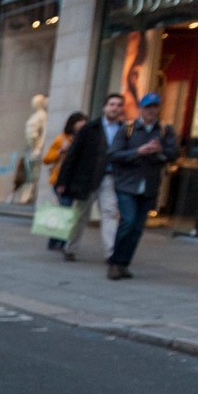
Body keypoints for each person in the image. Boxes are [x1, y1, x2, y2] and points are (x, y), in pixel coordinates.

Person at [103, 91, 178, 280]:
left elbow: (172, 154)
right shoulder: (127, 129)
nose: (151, 111)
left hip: (149, 186)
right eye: (148, 107)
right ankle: (114, 263)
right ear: (141, 109)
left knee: (137, 228)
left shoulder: (164, 131)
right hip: (127, 184)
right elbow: (114, 155)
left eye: (155, 107)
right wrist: (138, 151)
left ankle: (123, 264)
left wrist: (160, 150)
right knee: (127, 222)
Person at [55, 92, 125, 261]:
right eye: (112, 104)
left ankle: (111, 253)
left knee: (109, 214)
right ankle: (70, 247)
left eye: (118, 105)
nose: (115, 108)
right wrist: (63, 181)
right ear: (105, 108)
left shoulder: (124, 130)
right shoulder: (89, 129)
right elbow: (73, 154)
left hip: (109, 178)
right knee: (80, 215)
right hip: (88, 178)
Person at [41, 111, 87, 251]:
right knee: (65, 210)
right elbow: (46, 159)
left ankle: (54, 241)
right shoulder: (62, 139)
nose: (83, 125)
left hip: (76, 181)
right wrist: (60, 151)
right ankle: (59, 242)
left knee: (65, 211)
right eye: (80, 122)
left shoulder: (85, 140)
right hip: (60, 180)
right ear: (73, 124)